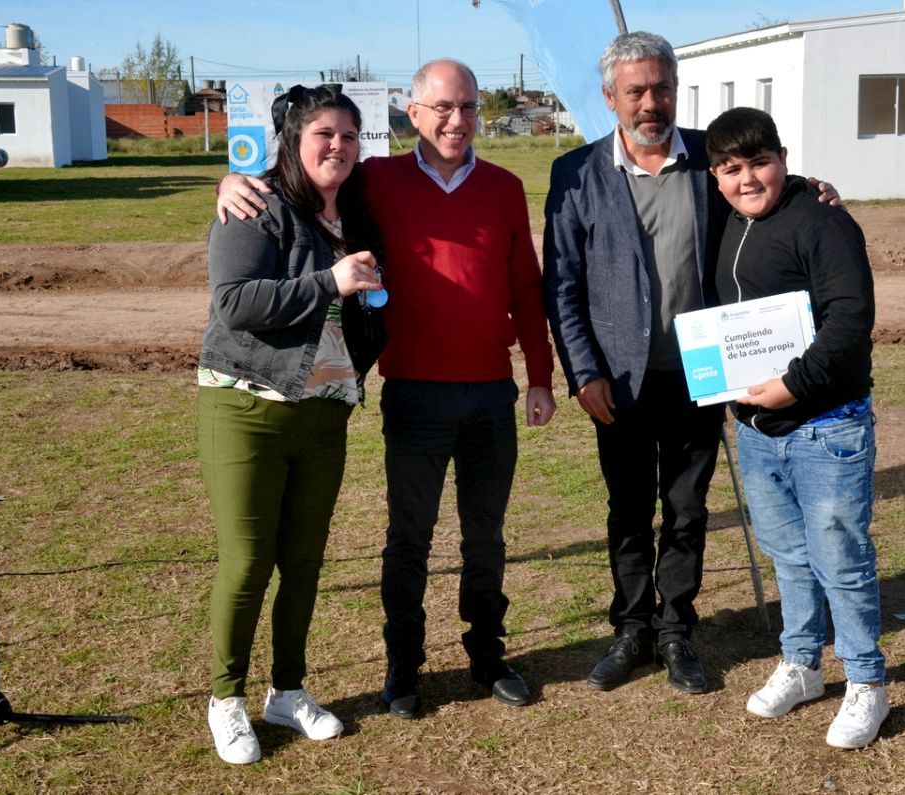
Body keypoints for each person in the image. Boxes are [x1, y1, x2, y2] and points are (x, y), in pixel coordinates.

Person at [217, 59, 556, 720]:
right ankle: (405, 665)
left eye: (468, 107)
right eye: (443, 109)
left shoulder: (506, 186)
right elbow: (299, 180)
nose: (457, 121)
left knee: (485, 537)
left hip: (490, 393)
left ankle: (487, 653)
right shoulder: (376, 179)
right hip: (415, 396)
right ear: (413, 113)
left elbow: (526, 289)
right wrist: (229, 181)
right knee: (410, 539)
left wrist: (539, 376)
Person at [543, 32, 839, 696]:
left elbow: (766, 188)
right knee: (627, 509)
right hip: (616, 380)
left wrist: (813, 188)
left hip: (701, 374)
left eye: (662, 88)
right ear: (610, 97)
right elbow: (561, 287)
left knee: (686, 508)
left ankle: (676, 629)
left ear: (676, 88)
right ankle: (631, 628)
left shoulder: (711, 158)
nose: (652, 103)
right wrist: (583, 372)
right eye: (637, 91)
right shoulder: (575, 174)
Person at [198, 83, 386, 765]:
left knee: (302, 563)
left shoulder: (360, 214)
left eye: (348, 134)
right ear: (293, 141)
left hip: (323, 416)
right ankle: (226, 698)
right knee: (249, 561)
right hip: (247, 410)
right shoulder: (256, 206)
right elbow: (238, 303)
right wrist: (329, 283)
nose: (337, 146)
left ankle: (288, 689)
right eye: (323, 135)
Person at [705, 106, 888, 749]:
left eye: (761, 163)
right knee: (788, 556)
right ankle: (803, 664)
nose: (748, 179)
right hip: (758, 430)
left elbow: (850, 319)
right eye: (731, 169)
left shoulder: (822, 221)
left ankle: (866, 681)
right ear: (716, 176)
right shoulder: (730, 220)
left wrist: (793, 386)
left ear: (782, 157)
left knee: (841, 557)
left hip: (825, 424)